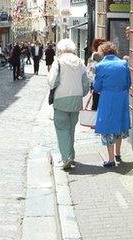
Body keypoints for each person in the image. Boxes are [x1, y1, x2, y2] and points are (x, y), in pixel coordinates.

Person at [48, 39, 90, 170]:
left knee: (62, 129)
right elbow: (86, 84)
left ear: (60, 50)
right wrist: (80, 94)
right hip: (76, 99)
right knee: (71, 129)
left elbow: (52, 81)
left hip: (61, 99)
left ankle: (66, 157)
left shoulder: (59, 62)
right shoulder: (80, 62)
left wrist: (55, 89)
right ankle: (71, 155)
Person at [93, 42, 131, 168]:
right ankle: (118, 154)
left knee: (108, 127)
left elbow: (97, 87)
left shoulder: (100, 66)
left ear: (103, 52)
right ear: (115, 51)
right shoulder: (123, 64)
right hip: (121, 98)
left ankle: (110, 160)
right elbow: (128, 83)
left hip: (107, 99)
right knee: (119, 124)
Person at [87, 38, 107, 110]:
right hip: (97, 83)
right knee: (97, 103)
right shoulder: (96, 55)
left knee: (96, 103)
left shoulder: (93, 56)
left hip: (95, 83)